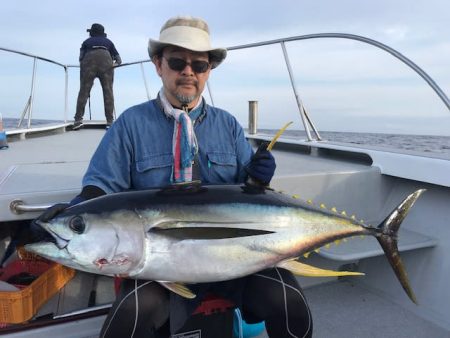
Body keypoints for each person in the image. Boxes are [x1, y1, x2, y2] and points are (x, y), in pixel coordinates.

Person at [35, 16, 312, 338]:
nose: (188, 72)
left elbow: (248, 196)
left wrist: (260, 179)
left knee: (288, 299)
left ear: (209, 70)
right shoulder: (131, 124)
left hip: (233, 257)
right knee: (133, 311)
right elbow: (101, 187)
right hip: (157, 262)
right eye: (178, 61)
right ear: (158, 64)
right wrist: (73, 212)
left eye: (199, 64)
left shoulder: (228, 125)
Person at [73, 23, 122, 130]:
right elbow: (119, 60)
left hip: (89, 60)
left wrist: (84, 71)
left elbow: (81, 58)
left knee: (84, 91)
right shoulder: (109, 42)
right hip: (106, 60)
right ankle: (109, 121)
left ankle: (77, 120)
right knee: (108, 91)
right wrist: (112, 65)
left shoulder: (86, 42)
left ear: (92, 33)